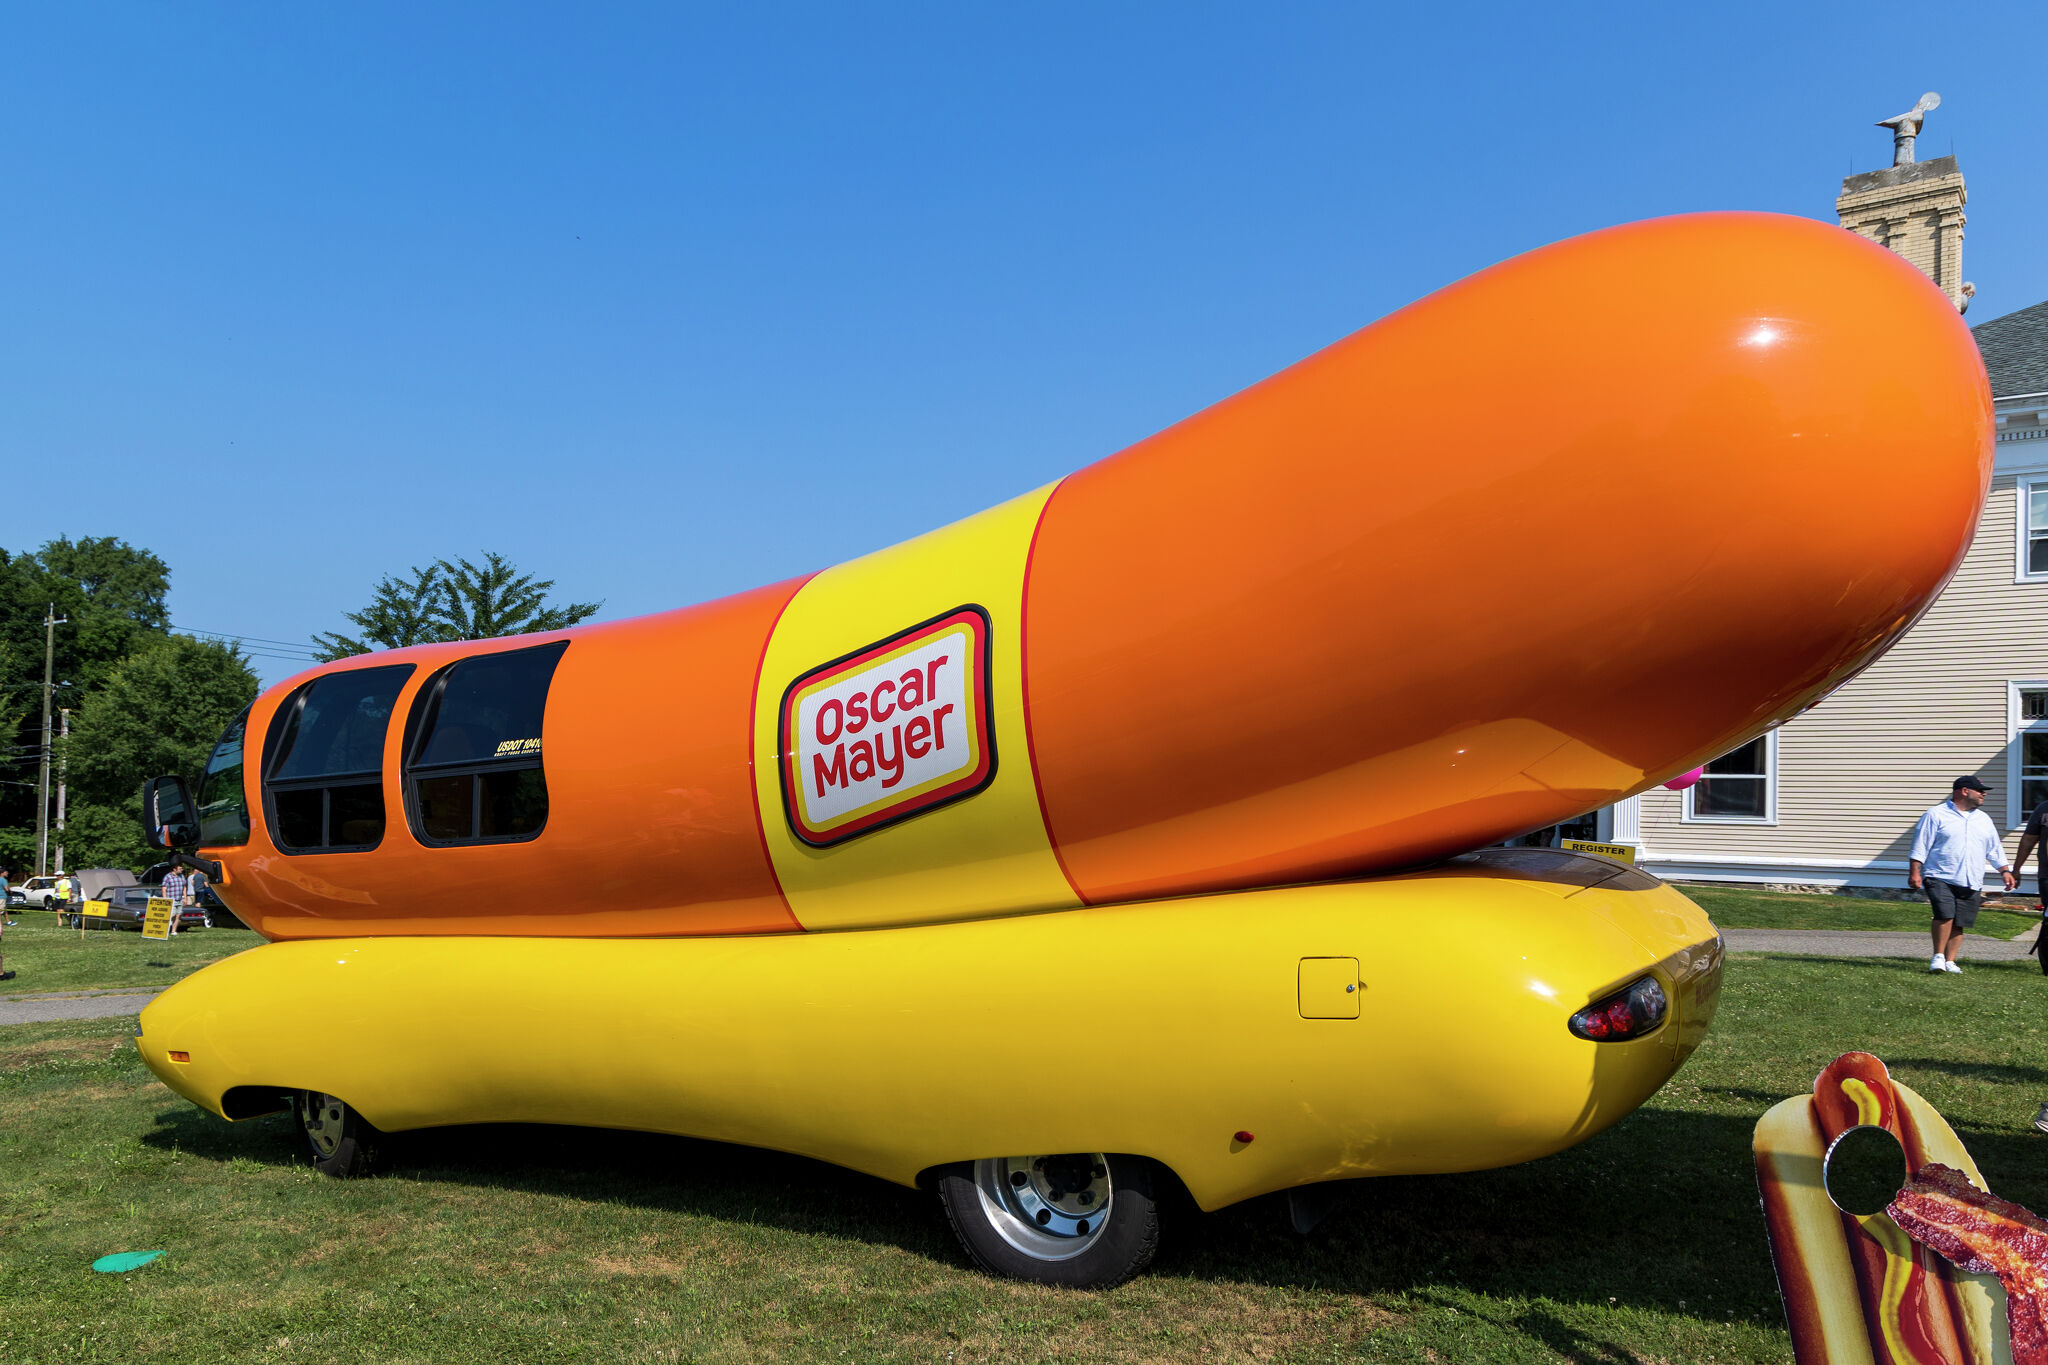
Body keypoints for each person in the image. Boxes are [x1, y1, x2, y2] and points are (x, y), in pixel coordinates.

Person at [1908, 776, 2017, 974]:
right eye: (1979, 790)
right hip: (1940, 875)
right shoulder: (1935, 814)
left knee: (1960, 922)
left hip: (1971, 878)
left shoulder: (1983, 819)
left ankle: (1950, 961)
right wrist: (1915, 872)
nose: (1984, 794)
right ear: (1964, 791)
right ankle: (1938, 957)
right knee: (1944, 914)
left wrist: (2005, 871)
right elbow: (1920, 845)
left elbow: (1994, 849)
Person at [0, 865, 13, 982]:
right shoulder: (3, 879)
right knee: (2, 912)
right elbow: (6, 888)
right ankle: (1, 974)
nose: (7, 873)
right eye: (6, 871)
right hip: (2, 898)